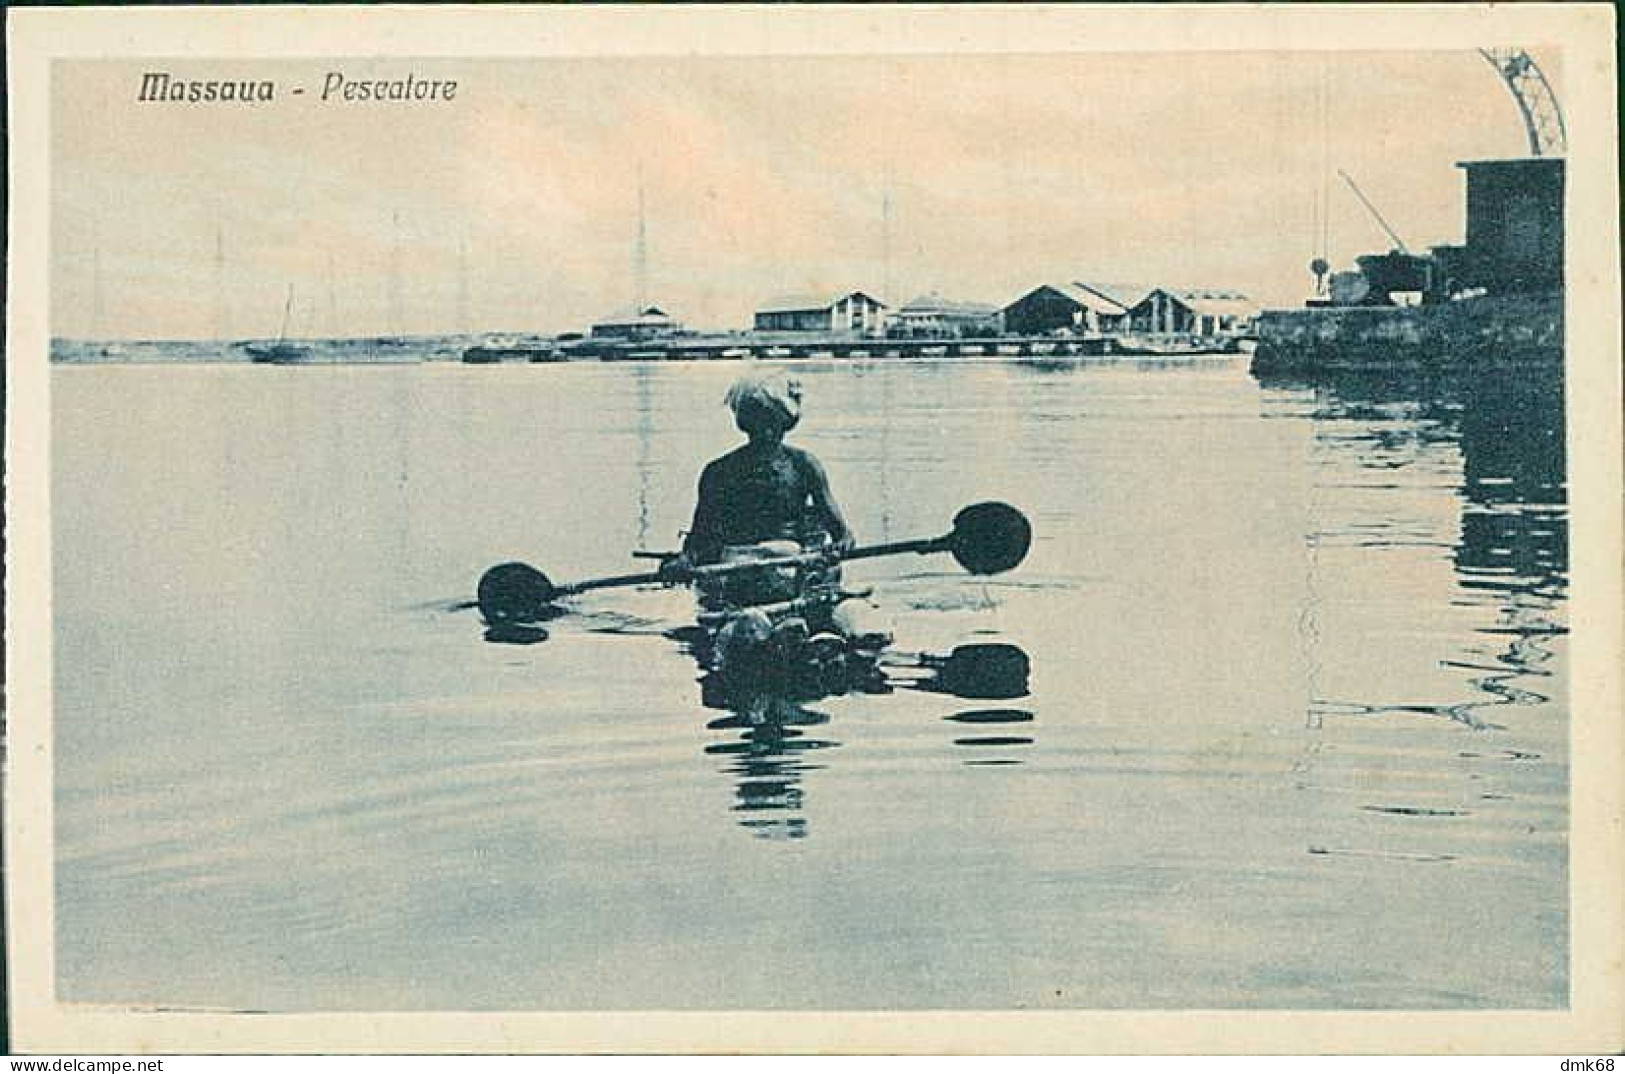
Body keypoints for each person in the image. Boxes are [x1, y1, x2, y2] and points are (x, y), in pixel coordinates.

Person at [663, 370, 854, 578]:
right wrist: (684, 561)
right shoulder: (718, 472)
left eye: (772, 422)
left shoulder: (804, 465)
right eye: (759, 423)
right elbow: (701, 537)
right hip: (736, 566)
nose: (767, 432)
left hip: (790, 563)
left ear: (785, 423)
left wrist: (841, 545)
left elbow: (841, 533)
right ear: (745, 424)